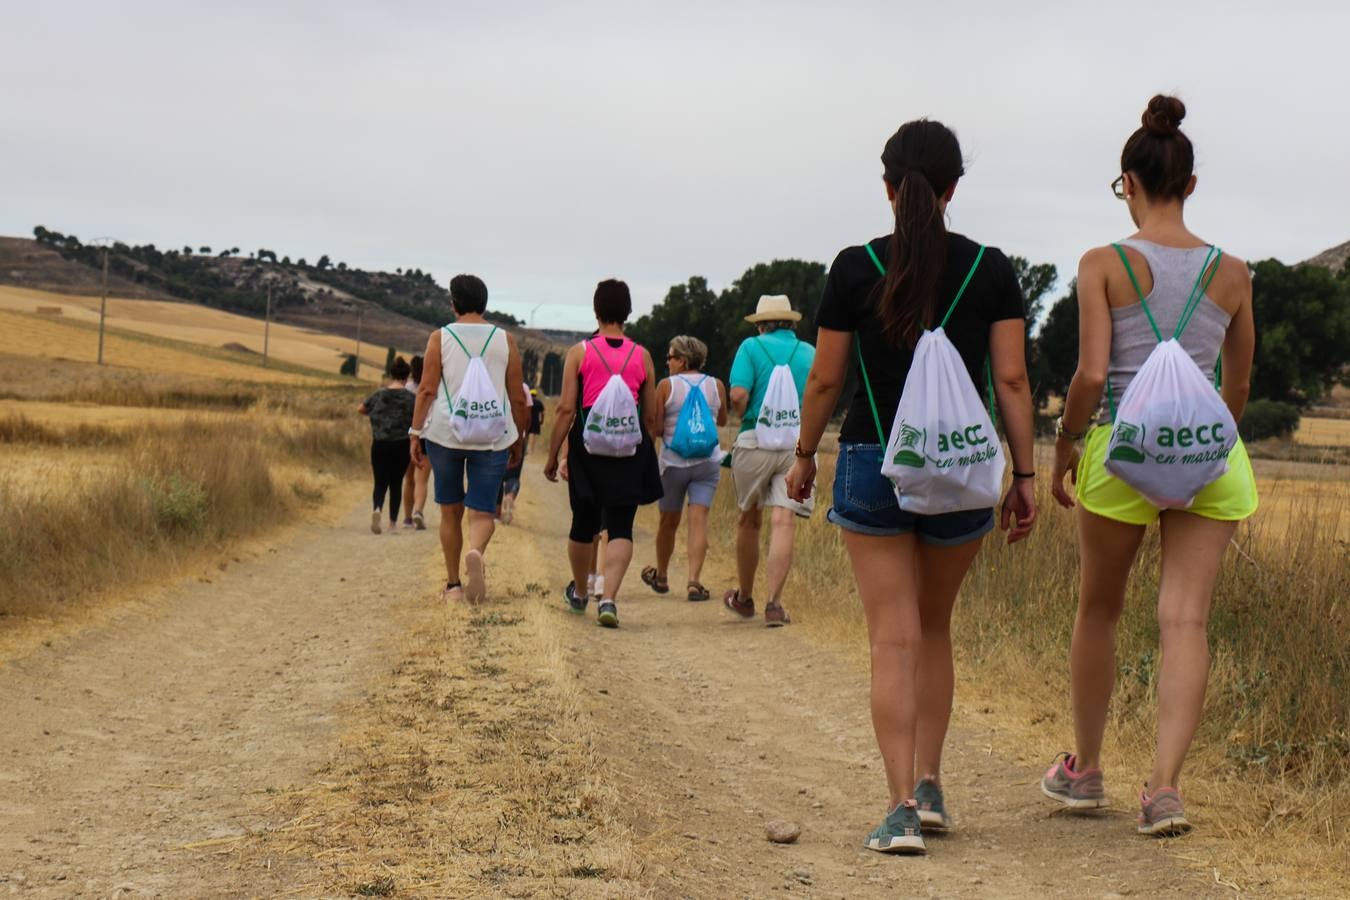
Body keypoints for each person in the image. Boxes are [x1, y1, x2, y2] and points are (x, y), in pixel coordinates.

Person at [786, 118, 1037, 855]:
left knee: (892, 639)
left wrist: (804, 455)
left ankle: (897, 809)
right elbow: (1012, 380)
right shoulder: (991, 269)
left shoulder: (854, 267)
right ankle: (930, 786)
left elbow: (825, 379)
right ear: (953, 188)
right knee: (933, 629)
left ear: (889, 188)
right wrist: (1024, 475)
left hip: (873, 460)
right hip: (961, 468)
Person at [1042, 96, 1257, 837]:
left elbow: (1092, 375)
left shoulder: (1102, 264)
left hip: (1121, 455)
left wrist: (1067, 443)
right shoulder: (1234, 272)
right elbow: (1238, 386)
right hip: (1209, 458)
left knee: (1099, 610)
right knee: (1185, 618)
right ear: (1190, 184)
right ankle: (1164, 790)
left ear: (1127, 182)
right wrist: (1204, 447)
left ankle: (1086, 771)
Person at [544, 279, 662, 628]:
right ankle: (608, 599)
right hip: (628, 451)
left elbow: (566, 409)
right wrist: (645, 453)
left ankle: (581, 592)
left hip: (587, 450)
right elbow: (651, 416)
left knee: (583, 524)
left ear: (596, 310)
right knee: (621, 526)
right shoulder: (642, 355)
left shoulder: (579, 353)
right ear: (628, 312)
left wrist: (554, 454)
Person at [410, 274, 530, 603]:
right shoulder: (505, 340)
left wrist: (415, 432)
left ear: (454, 304)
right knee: (482, 512)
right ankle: (475, 551)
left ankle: (453, 586)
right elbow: (517, 397)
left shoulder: (440, 337)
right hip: (492, 436)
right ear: (484, 303)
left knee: (450, 510)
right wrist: (518, 437)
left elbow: (426, 389)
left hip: (445, 434)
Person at [723, 295, 816, 626]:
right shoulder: (809, 352)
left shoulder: (750, 347)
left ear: (761, 325)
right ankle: (774, 605)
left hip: (755, 440)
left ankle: (745, 597)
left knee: (749, 519)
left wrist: (743, 413)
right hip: (796, 444)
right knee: (783, 520)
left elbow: (738, 394)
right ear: (790, 323)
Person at [640, 335, 728, 602]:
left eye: (670, 357)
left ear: (682, 360)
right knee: (699, 520)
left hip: (673, 463)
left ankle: (662, 576)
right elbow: (722, 421)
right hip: (707, 463)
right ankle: (693, 582)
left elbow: (656, 428)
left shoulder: (666, 386)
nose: (667, 362)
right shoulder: (716, 385)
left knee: (668, 522)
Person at [359, 356, 417, 535]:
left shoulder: (379, 394)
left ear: (391, 375)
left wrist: (377, 418)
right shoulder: (411, 398)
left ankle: (377, 508)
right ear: (406, 377)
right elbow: (417, 419)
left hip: (380, 444)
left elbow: (361, 408)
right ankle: (392, 523)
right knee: (396, 483)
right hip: (401, 445)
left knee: (380, 481)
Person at [401, 354, 429, 529]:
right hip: (425, 436)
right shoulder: (430, 388)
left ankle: (407, 518)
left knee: (409, 480)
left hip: (408, 436)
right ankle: (418, 510)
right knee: (422, 480)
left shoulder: (407, 388)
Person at [526, 386, 545, 453]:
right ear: (535, 395)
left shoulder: (528, 402)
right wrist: (542, 420)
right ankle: (531, 450)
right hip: (536, 421)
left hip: (528, 420)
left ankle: (526, 449)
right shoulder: (539, 402)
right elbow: (543, 413)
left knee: (527, 435)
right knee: (533, 435)